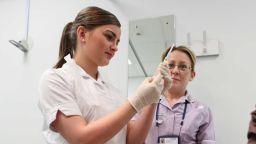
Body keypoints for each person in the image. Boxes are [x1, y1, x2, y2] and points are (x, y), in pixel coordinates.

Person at [38, 6, 171, 144]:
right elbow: (80, 138)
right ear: (82, 34)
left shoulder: (113, 92)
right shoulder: (55, 79)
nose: (115, 47)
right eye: (109, 37)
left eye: (117, 42)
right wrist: (135, 102)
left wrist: (155, 96)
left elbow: (133, 141)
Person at [132, 45, 216, 144]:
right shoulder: (144, 105)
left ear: (192, 75)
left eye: (183, 66)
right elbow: (132, 140)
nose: (175, 71)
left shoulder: (202, 111)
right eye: (170, 65)